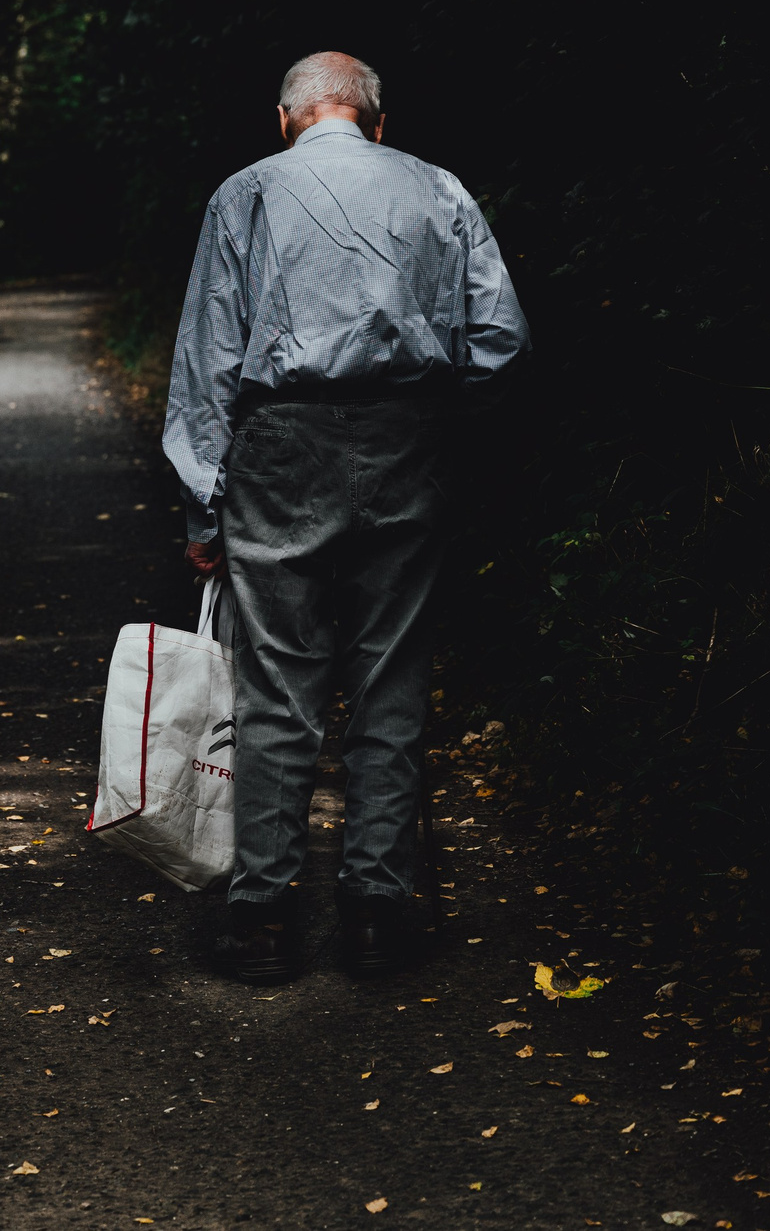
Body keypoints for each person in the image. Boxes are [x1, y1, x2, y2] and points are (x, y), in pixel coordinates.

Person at [162, 51, 530, 984]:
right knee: (391, 678)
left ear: (284, 118)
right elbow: (499, 340)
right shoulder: (437, 188)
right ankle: (375, 915)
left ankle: (262, 920)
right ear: (374, 118)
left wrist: (203, 506)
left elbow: (208, 359)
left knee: (278, 685)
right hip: (410, 440)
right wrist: (444, 429)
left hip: (281, 451)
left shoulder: (243, 195)